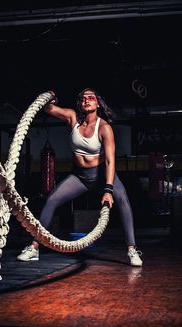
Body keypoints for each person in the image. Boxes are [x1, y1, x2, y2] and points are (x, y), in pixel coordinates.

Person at [17, 88, 143, 266]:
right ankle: (34, 247)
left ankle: (132, 250)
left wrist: (108, 189)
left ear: (97, 103)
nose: (86, 100)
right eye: (83, 98)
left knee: (122, 199)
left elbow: (109, 162)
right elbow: (48, 109)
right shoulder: (72, 117)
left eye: (90, 98)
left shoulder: (104, 128)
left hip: (102, 175)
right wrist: (51, 96)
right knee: (52, 199)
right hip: (80, 177)